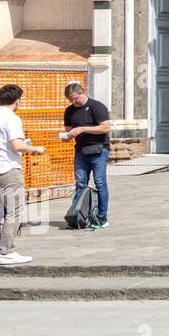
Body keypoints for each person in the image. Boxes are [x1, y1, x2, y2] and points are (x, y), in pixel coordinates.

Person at [0, 84, 45, 265]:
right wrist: (35, 148)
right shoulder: (12, 118)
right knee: (14, 211)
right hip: (6, 169)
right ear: (17, 101)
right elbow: (17, 146)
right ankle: (6, 251)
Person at [63, 82, 112, 229]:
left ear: (82, 93)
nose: (73, 102)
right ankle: (77, 216)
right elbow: (68, 130)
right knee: (80, 183)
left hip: (99, 150)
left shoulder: (97, 107)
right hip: (81, 150)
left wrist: (83, 129)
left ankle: (102, 217)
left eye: (75, 98)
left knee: (100, 182)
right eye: (70, 100)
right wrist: (68, 135)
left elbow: (106, 127)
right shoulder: (69, 111)